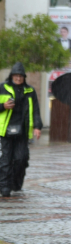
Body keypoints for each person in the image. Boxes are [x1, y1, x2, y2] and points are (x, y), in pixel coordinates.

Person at [0, 62, 42, 197]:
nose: (18, 78)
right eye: (16, 75)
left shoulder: (30, 91)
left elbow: (35, 110)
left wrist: (37, 126)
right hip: (5, 130)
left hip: (23, 131)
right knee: (6, 159)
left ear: (24, 77)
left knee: (21, 158)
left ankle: (16, 183)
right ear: (12, 75)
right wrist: (3, 106)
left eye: (21, 76)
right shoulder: (2, 87)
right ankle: (4, 186)